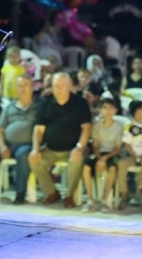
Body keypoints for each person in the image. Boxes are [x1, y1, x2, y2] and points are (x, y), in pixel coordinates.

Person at [29, 72, 92, 209]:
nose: (59, 88)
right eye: (56, 85)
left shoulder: (80, 103)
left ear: (69, 86)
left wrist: (80, 146)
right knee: (34, 159)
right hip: (51, 148)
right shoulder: (45, 103)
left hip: (73, 148)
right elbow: (38, 129)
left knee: (76, 158)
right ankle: (51, 192)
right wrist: (35, 148)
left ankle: (69, 196)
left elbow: (86, 128)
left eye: (63, 85)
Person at [0, 75, 40, 204]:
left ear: (32, 88)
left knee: (23, 155)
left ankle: (20, 193)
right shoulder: (9, 107)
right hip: (8, 144)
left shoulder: (38, 107)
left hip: (27, 144)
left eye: (26, 86)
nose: (23, 89)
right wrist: (2, 147)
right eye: (20, 86)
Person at [82, 98, 124, 213]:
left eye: (111, 108)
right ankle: (90, 200)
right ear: (100, 110)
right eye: (105, 108)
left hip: (111, 153)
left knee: (112, 169)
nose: (108, 111)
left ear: (115, 110)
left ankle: (105, 201)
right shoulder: (97, 126)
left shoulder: (119, 127)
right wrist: (99, 158)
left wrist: (105, 159)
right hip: (98, 153)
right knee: (86, 167)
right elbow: (95, 146)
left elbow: (118, 149)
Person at [116, 100, 142, 210]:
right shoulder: (129, 127)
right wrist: (135, 157)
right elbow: (127, 145)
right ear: (138, 112)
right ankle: (124, 194)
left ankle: (140, 190)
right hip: (134, 156)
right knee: (122, 163)